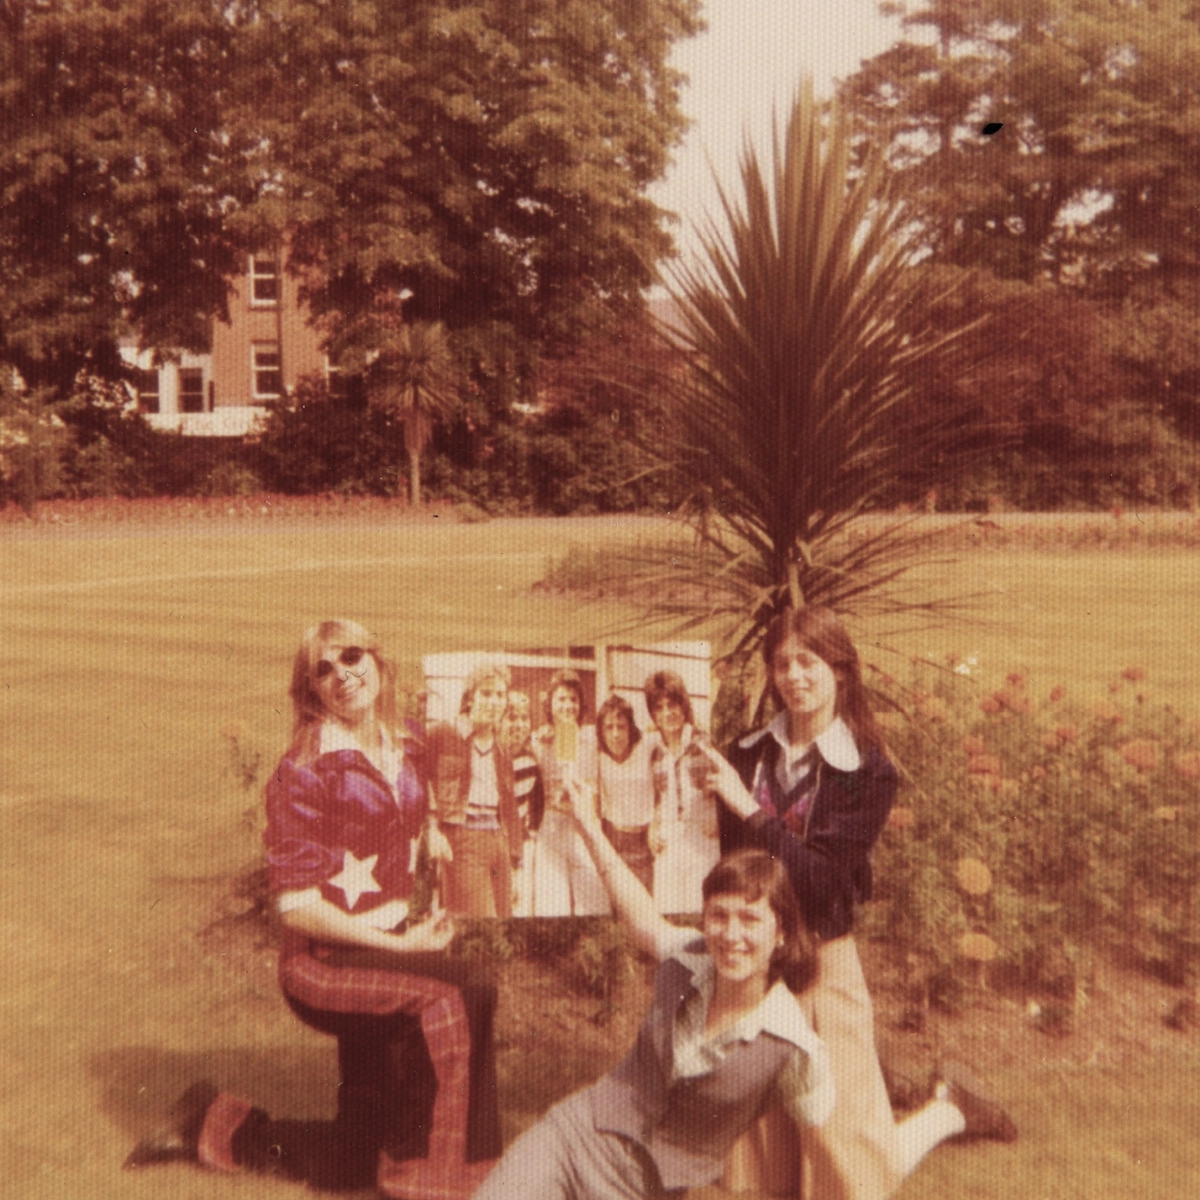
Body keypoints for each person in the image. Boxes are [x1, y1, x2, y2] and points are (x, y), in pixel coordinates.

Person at [124, 620, 500, 1200]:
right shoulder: (300, 771)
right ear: (311, 691)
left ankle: (208, 1123)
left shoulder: (407, 738)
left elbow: (423, 786)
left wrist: (431, 831)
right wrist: (404, 947)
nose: (342, 674)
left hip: (384, 941)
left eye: (352, 656)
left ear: (377, 661)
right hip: (325, 962)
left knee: (355, 1157)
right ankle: (437, 1180)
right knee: (461, 990)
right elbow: (297, 909)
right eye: (322, 669)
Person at [709, 606, 1017, 1200]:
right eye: (782, 664)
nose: (794, 676)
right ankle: (950, 1107)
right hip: (754, 970)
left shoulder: (869, 772)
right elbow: (728, 868)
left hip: (823, 966)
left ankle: (950, 1112)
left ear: (841, 671)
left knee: (848, 1167)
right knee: (761, 1163)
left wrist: (746, 809)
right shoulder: (742, 755)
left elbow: (821, 881)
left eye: (809, 662)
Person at [474, 762, 836, 1200]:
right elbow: (640, 914)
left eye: (750, 919)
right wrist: (588, 823)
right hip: (574, 1139)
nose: (731, 934)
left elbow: (833, 1152)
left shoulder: (793, 1043)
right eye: (718, 916)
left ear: (781, 933)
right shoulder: (690, 955)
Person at [428, 661, 524, 918]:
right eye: (486, 693)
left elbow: (511, 807)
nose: (494, 702)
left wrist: (515, 863)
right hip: (463, 837)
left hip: (498, 840)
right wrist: (432, 828)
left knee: (504, 920)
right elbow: (419, 780)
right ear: (470, 697)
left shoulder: (502, 748)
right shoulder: (443, 733)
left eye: (500, 695)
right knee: (478, 920)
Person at [530, 668, 610, 915]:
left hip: (584, 828)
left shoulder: (593, 739)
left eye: (573, 699)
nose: (567, 705)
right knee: (551, 906)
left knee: (594, 905)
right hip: (552, 830)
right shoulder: (539, 741)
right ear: (550, 703)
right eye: (561, 699)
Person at [644, 670, 722, 914]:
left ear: (684, 705)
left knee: (702, 911)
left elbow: (727, 787)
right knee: (667, 914)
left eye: (673, 704)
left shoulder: (704, 743)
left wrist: (720, 819)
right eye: (660, 707)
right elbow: (657, 798)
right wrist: (652, 829)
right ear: (654, 714)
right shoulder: (654, 751)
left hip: (701, 840)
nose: (668, 713)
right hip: (669, 843)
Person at [595, 693, 657, 894]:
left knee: (643, 905)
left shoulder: (646, 747)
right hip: (611, 839)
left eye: (621, 726)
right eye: (609, 727)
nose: (615, 734)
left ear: (631, 728)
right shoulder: (597, 755)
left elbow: (679, 730)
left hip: (644, 843)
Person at [498, 689, 545, 916]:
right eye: (511, 717)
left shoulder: (531, 759)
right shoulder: (493, 758)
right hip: (495, 849)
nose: (519, 724)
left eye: (524, 718)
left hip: (520, 848)